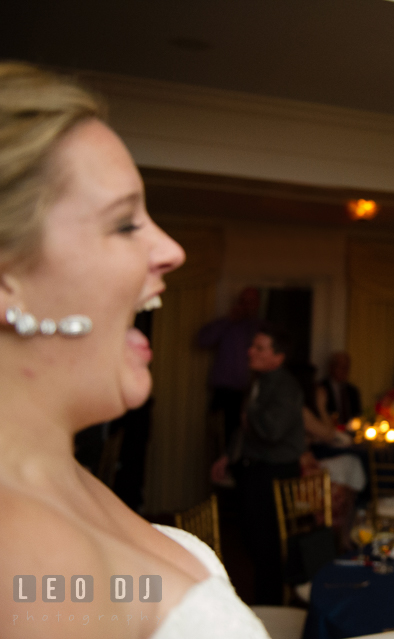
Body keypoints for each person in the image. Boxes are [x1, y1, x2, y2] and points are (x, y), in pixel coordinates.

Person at [0, 62, 269, 637]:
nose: (171, 250)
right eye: (125, 224)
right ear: (5, 285)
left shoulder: (62, 479)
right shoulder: (25, 553)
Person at [218, 325, 305, 605]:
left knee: (267, 548)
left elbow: (272, 431)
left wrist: (250, 412)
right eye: (252, 346)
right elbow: (245, 431)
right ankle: (262, 606)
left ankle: (269, 611)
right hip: (255, 470)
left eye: (259, 348)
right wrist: (227, 456)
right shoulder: (260, 380)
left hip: (273, 474)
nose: (250, 351)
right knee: (254, 543)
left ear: (277, 357)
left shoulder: (285, 386)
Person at [197, 286, 261, 452]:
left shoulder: (262, 328)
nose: (246, 306)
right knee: (220, 441)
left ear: (258, 304)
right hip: (225, 393)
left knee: (249, 439)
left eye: (251, 302)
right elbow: (202, 340)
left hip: (254, 393)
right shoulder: (226, 324)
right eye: (243, 302)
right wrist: (229, 320)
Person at [318, 351, 361, 426]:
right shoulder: (321, 388)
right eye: (341, 367)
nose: (344, 371)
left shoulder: (353, 391)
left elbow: (357, 415)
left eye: (346, 367)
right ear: (331, 367)